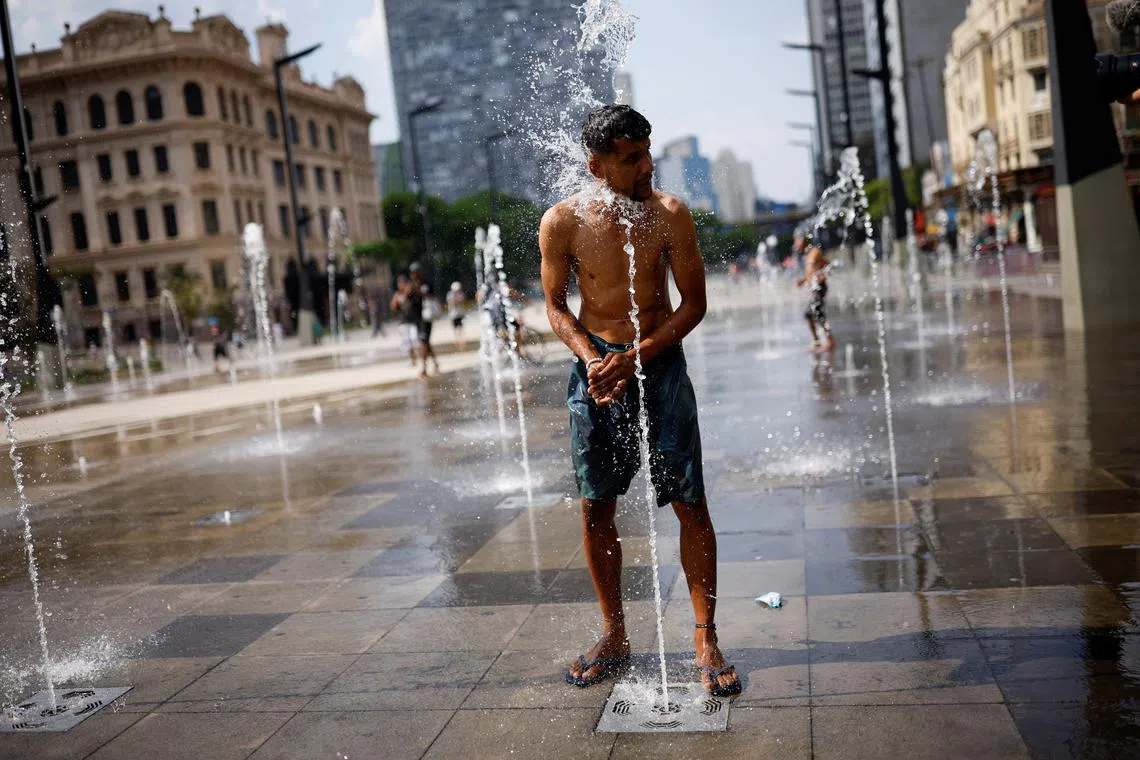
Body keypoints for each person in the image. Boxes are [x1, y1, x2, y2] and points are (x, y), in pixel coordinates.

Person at [539, 104, 741, 698]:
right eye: (631, 159)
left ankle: (704, 635)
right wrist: (592, 357)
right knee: (595, 505)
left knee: (689, 501)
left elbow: (693, 305)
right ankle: (615, 634)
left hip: (658, 362)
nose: (647, 165)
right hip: (598, 366)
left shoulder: (670, 216)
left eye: (648, 152)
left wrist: (638, 356)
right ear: (597, 165)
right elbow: (555, 306)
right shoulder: (563, 222)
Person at [797, 242, 835, 353]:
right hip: (814, 289)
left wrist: (823, 277)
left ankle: (830, 341)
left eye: (797, 239)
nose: (796, 244)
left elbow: (828, 266)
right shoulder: (808, 255)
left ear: (804, 240)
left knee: (818, 314)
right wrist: (803, 280)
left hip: (820, 288)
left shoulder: (816, 252)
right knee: (809, 314)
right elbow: (811, 272)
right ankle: (817, 341)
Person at [412, 265, 442, 376]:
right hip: (417, 318)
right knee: (425, 342)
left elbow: (430, 295)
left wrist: (419, 290)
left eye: (417, 272)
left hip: (426, 318)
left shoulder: (426, 284)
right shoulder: (412, 285)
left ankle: (424, 367)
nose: (415, 274)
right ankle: (435, 363)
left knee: (424, 343)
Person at [391, 274, 424, 371]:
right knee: (407, 342)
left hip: (413, 320)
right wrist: (397, 297)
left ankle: (421, 358)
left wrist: (407, 291)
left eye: (403, 283)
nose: (401, 285)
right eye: (400, 283)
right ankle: (413, 359)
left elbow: (417, 296)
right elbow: (393, 307)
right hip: (403, 321)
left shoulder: (411, 292)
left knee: (415, 340)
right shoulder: (397, 294)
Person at [446, 281, 467, 350]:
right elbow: (451, 303)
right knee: (455, 329)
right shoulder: (450, 294)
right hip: (454, 314)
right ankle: (457, 342)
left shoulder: (461, 294)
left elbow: (462, 301)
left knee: (460, 329)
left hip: (460, 314)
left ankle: (462, 343)